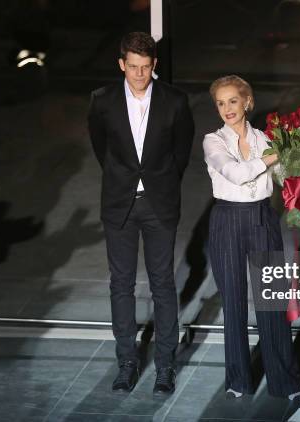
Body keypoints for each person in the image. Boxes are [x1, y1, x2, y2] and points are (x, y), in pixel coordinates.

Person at [87, 32, 194, 394]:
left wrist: (158, 182)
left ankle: (165, 367)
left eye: (145, 68)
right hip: (119, 203)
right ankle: (127, 364)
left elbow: (181, 151)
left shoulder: (175, 101)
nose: (139, 74)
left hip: (159, 204)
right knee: (121, 285)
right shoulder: (101, 101)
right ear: (121, 64)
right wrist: (125, 179)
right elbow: (102, 147)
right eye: (132, 67)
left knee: (163, 284)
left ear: (154, 65)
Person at [203, 75, 300, 399]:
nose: (227, 109)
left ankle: (283, 382)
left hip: (262, 217)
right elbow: (235, 173)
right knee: (233, 303)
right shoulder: (212, 141)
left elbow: (287, 175)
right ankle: (238, 382)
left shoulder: (265, 138)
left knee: (271, 301)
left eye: (233, 101)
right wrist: (276, 156)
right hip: (227, 221)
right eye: (220, 103)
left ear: (247, 101)